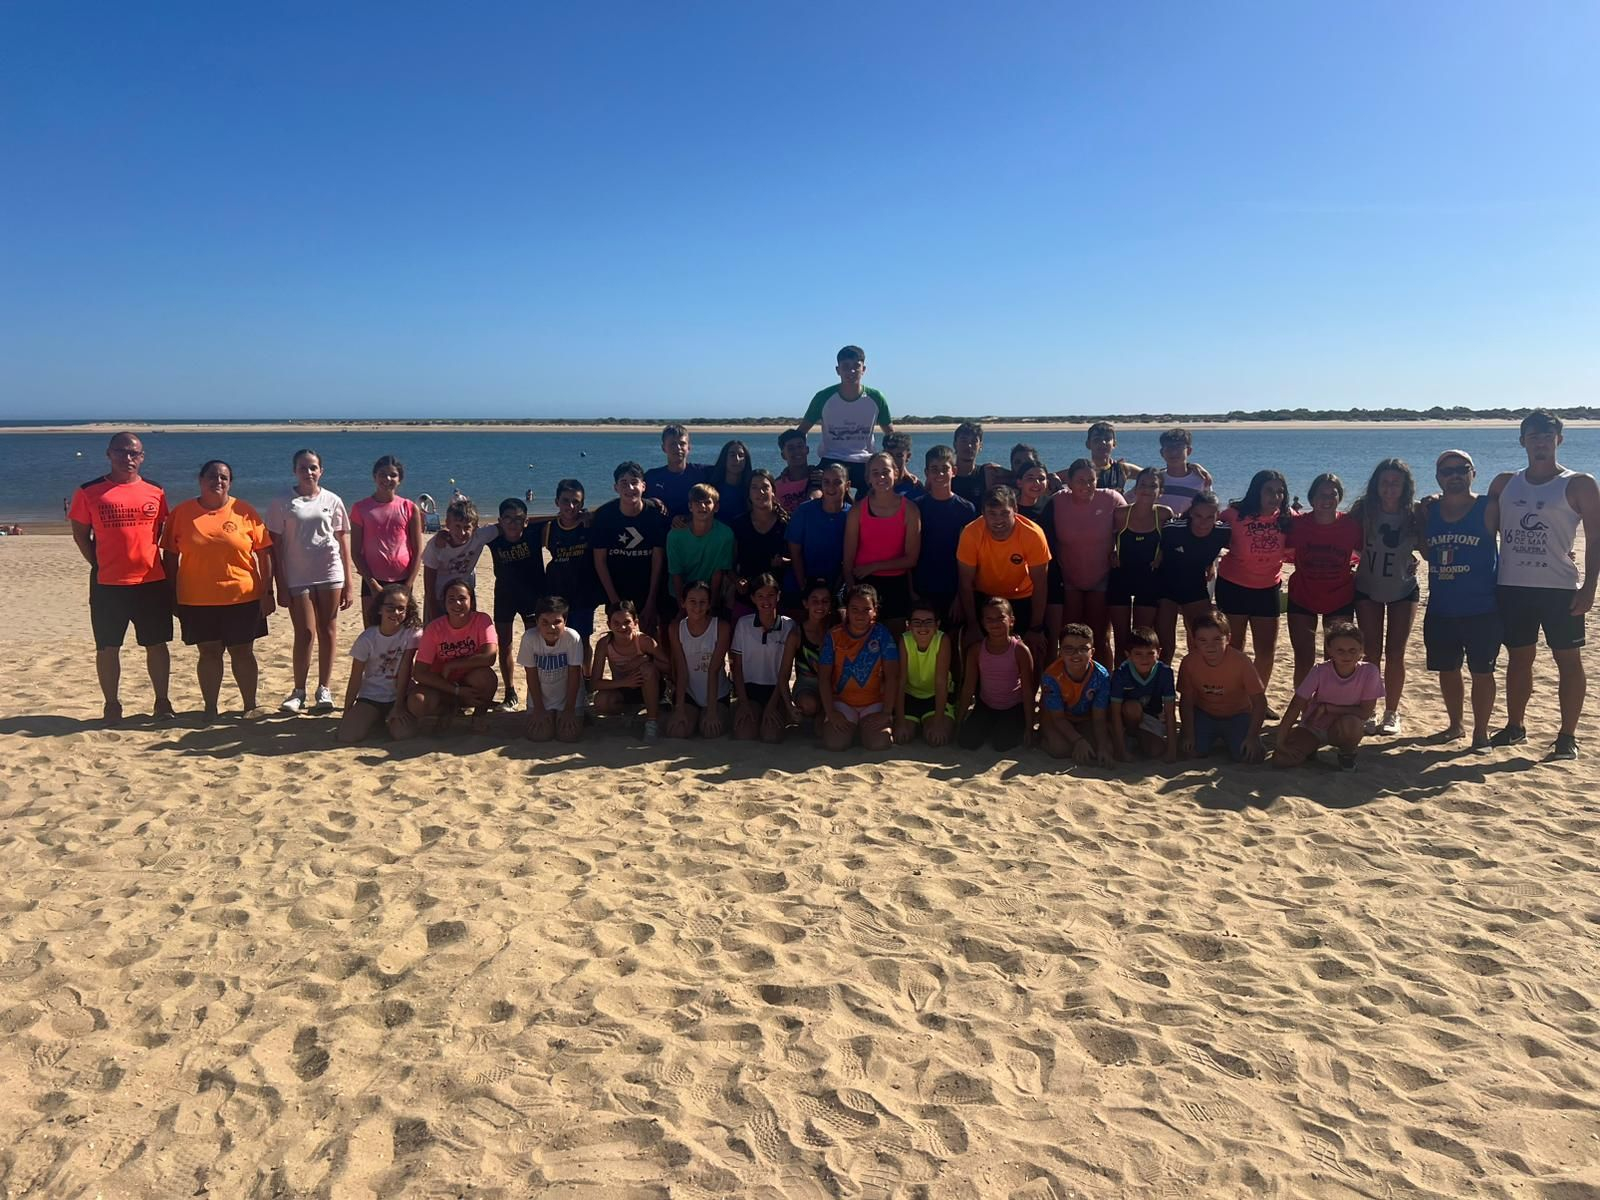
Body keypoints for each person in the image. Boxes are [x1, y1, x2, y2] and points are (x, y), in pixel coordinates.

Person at [1487, 410, 1600, 760]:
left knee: (1568, 660)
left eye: (1547, 437)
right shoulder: (1505, 483)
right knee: (1519, 658)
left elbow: (1595, 538)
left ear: (1558, 440)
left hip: (1560, 588)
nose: (1540, 443)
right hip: (1512, 586)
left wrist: (1589, 587)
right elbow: (1483, 529)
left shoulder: (1579, 483)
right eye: (1533, 437)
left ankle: (1567, 736)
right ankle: (1516, 726)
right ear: (1522, 441)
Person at [69, 432, 174, 722]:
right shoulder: (89, 492)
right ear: (109, 454)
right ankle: (112, 704)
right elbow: (80, 534)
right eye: (122, 452)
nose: (128, 458)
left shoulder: (156, 491)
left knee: (156, 644)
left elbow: (161, 533)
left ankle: (162, 702)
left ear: (142, 457)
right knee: (107, 646)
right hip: (108, 584)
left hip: (151, 581)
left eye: (134, 453)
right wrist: (98, 563)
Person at [161, 459, 274, 721]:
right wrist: (171, 594)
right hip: (197, 598)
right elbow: (170, 557)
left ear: (230, 482)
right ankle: (210, 707)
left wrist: (267, 592)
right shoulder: (181, 513)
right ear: (201, 481)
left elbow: (264, 554)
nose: (218, 482)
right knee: (209, 653)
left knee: (243, 652)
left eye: (224, 477)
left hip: (243, 596)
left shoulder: (244, 511)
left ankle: (250, 705)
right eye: (212, 477)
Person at [1420, 450, 1502, 750]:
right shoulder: (1429, 510)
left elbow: (1517, 539)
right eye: (1446, 471)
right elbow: (1427, 550)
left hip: (1482, 607)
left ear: (1473, 473)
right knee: (1448, 669)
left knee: (1482, 672)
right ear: (1438, 477)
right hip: (1441, 607)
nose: (1454, 475)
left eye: (1461, 469)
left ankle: (1481, 733)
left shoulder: (1489, 507)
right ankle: (1455, 726)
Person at [268, 449, 354, 714]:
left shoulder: (333, 500)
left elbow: (342, 541)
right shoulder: (282, 501)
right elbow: (275, 546)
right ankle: (299, 691)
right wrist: (279, 584)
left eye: (313, 468)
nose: (309, 473)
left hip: (330, 572)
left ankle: (324, 690)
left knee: (328, 630)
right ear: (295, 471)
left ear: (321, 471)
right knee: (305, 632)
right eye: (303, 468)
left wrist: (349, 581)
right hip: (297, 575)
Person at [1351, 459, 1422, 736]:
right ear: (1376, 485)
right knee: (1371, 652)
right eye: (1384, 482)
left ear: (1405, 486)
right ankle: (1369, 709)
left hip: (1403, 589)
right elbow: (1346, 539)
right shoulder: (1364, 511)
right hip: (1367, 587)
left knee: (1396, 652)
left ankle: (1391, 712)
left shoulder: (1414, 514)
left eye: (1395, 482)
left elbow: (1427, 547)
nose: (1389, 488)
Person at [1217, 469, 1291, 705]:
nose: (1275, 496)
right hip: (1233, 587)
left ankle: (1256, 700)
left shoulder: (1288, 519)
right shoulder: (1233, 515)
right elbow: (1203, 529)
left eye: (1280, 491)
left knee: (1266, 651)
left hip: (1268, 589)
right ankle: (1232, 698)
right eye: (1269, 490)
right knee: (1234, 648)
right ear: (1256, 491)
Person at [1271, 619, 1383, 771]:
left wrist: (1329, 708)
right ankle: (1310, 748)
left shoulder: (1370, 671)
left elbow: (1365, 712)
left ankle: (1346, 754)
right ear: (1329, 650)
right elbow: (1296, 705)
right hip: (1314, 725)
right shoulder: (1320, 670)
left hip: (1343, 727)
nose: (1347, 655)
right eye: (1340, 650)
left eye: (1352, 650)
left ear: (1361, 649)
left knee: (1353, 724)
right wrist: (1280, 741)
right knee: (1281, 760)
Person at [957, 486, 1052, 664]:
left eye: (1004, 513)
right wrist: (972, 624)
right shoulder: (971, 533)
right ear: (983, 513)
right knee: (976, 648)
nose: (998, 520)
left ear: (1015, 510)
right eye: (992, 513)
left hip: (1022, 596)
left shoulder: (1033, 534)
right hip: (986, 596)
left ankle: (1030, 691)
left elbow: (1040, 584)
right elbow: (965, 583)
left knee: (1035, 648)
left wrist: (1036, 627)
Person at [1285, 473, 1362, 687]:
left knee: (1336, 659)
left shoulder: (1351, 525)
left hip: (1340, 597)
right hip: (1302, 596)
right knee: (1303, 658)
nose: (1327, 499)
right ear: (1311, 498)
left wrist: (1408, 558)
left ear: (1340, 498)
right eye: (1322, 494)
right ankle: (1305, 710)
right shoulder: (1297, 524)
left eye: (1333, 494)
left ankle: (1331, 706)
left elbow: (1373, 549)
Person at [1050, 459, 1128, 665]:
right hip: (1069, 578)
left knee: (1099, 639)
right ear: (1069, 481)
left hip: (1101, 577)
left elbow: (1131, 528)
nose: (1086, 485)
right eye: (1080, 480)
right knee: (1069, 639)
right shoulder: (1058, 500)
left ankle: (1105, 687)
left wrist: (1119, 552)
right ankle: (1070, 687)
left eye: (1091, 480)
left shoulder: (1111, 499)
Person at [796, 345, 893, 495]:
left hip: (864, 462)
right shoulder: (823, 397)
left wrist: (897, 468)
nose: (851, 371)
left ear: (864, 369)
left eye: (856, 366)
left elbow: (891, 437)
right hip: (831, 459)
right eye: (846, 367)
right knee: (813, 496)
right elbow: (801, 433)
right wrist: (796, 467)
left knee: (874, 498)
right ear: (838, 370)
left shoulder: (876, 397)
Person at [842, 452, 922, 630]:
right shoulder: (857, 510)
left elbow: (911, 559)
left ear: (896, 473)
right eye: (875, 473)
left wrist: (874, 566)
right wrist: (851, 592)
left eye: (886, 471)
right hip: (863, 585)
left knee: (894, 641)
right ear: (868, 477)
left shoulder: (910, 509)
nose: (881, 477)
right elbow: (848, 561)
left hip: (897, 584)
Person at [407, 578, 499, 730]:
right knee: (417, 702)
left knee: (487, 678)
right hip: (442, 682)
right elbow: (419, 673)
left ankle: (479, 716)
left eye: (462, 598)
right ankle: (448, 708)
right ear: (444, 603)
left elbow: (490, 656)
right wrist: (455, 691)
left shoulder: (482, 620)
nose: (457, 604)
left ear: (472, 600)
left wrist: (454, 664)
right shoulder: (434, 628)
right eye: (451, 599)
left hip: (469, 678)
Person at [593, 461, 671, 637]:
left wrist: (651, 601)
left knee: (652, 637)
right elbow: (600, 562)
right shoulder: (605, 515)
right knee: (621, 639)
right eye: (623, 482)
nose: (630, 487)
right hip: (617, 588)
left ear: (644, 486)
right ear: (615, 487)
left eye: (635, 482)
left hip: (648, 588)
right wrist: (615, 603)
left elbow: (658, 560)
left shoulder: (655, 514)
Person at [484, 498, 548, 711]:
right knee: (505, 645)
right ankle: (510, 691)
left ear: (526, 521)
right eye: (508, 518)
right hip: (504, 596)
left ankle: (536, 689)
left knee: (535, 644)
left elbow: (560, 518)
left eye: (518, 519)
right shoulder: (494, 538)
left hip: (532, 597)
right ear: (500, 521)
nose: (513, 523)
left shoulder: (533, 533)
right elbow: (469, 531)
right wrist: (444, 534)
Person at [817, 583, 898, 751]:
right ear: (846, 609)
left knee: (879, 743)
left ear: (875, 610)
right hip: (842, 702)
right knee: (835, 743)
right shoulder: (834, 635)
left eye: (866, 609)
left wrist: (886, 713)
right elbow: (824, 678)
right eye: (854, 609)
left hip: (874, 702)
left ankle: (861, 729)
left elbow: (892, 677)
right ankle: (850, 728)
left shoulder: (882, 634)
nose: (860, 614)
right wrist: (831, 712)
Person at [1178, 610, 1267, 762]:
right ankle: (1211, 736)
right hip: (1204, 714)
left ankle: (1239, 737)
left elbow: (1260, 701)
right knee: (1189, 752)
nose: (1210, 646)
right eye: (1202, 640)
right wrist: (1188, 734)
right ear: (1193, 641)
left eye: (1217, 639)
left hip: (1237, 715)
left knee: (1249, 757)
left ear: (1228, 639)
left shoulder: (1241, 661)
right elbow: (1186, 701)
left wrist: (1252, 737)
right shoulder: (1189, 662)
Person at [337, 584, 421, 743]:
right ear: (380, 609)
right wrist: (347, 710)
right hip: (371, 696)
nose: (396, 613)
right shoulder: (367, 638)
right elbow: (355, 677)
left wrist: (398, 705)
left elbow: (405, 668)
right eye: (390, 608)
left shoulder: (411, 633)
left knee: (403, 735)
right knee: (346, 736)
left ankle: (390, 718)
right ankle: (375, 719)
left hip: (399, 695)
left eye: (401, 608)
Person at [1107, 467, 1173, 666]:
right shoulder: (1120, 514)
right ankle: (1119, 684)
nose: (1146, 489)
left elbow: (1170, 542)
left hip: (1149, 578)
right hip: (1121, 577)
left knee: (1141, 639)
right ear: (1135, 489)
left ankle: (1140, 684)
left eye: (1153, 485)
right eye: (1142, 484)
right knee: (1121, 639)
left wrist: (1161, 555)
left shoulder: (1163, 514)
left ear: (1160, 491)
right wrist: (1112, 552)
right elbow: (1107, 537)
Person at [1154, 491, 1230, 664]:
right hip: (1166, 588)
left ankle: (1195, 686)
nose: (1203, 522)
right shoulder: (1173, 529)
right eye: (1198, 516)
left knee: (1199, 646)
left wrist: (1211, 563)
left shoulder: (1222, 532)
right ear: (1191, 513)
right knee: (1165, 648)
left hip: (1195, 587)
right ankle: (1163, 688)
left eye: (1209, 517)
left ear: (1217, 516)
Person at [350, 456, 422, 628]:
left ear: (400, 480)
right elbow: (356, 552)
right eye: (382, 474)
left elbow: (418, 551)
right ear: (374, 476)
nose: (387, 479)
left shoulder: (409, 507)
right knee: (373, 631)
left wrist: (408, 585)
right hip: (372, 581)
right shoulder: (360, 508)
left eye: (393, 475)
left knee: (401, 632)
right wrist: (372, 583)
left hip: (403, 581)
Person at [956, 597, 1035, 752]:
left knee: (1002, 744)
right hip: (987, 705)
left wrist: (1030, 727)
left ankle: (1007, 726)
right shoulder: (976, 650)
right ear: (983, 623)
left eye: (1000, 618)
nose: (995, 623)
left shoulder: (1020, 651)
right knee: (966, 742)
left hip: (1013, 706)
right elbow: (968, 687)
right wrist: (959, 721)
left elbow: (1027, 691)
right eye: (989, 619)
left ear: (1011, 621)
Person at [914, 445, 977, 631]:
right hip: (922, 588)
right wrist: (912, 592)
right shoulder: (916, 507)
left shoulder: (966, 509)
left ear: (954, 471)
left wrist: (960, 596)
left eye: (945, 468)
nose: (940, 473)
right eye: (934, 469)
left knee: (953, 646)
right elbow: (910, 550)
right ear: (926, 472)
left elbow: (969, 557)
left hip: (954, 589)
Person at [730, 574, 798, 743]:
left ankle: (780, 713)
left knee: (771, 736)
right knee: (744, 735)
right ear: (753, 598)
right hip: (750, 691)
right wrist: (744, 703)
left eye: (770, 595)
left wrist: (772, 705)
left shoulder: (789, 625)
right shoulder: (743, 624)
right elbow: (736, 668)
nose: (765, 601)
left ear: (778, 596)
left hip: (777, 690)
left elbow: (786, 671)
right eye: (760, 596)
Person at [588, 600, 667, 740]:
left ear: (635, 623)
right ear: (609, 625)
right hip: (625, 687)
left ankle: (652, 722)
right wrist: (625, 682)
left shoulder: (644, 641)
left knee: (647, 669)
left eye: (627, 622)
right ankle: (632, 710)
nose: (622, 627)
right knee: (601, 702)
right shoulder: (604, 644)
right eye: (616, 623)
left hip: (651, 685)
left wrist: (646, 660)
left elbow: (668, 665)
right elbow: (595, 683)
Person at [1038, 621, 1113, 765]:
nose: (1076, 654)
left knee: (1105, 748)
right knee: (1059, 749)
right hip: (1057, 717)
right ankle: (1043, 738)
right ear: (1060, 652)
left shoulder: (1101, 676)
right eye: (1068, 649)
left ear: (1092, 652)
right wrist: (1079, 740)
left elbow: (1099, 717)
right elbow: (1058, 718)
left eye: (1083, 649)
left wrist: (1103, 747)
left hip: (1085, 717)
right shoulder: (1051, 676)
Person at [666, 581, 731, 739]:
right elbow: (681, 670)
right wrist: (680, 708)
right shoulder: (675, 628)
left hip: (717, 694)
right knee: (678, 731)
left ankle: (710, 713)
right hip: (690, 693)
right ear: (683, 603)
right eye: (692, 601)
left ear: (709, 604)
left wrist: (712, 711)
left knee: (710, 731)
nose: (697, 607)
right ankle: (691, 713)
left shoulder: (721, 627)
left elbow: (713, 671)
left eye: (703, 602)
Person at [542, 479, 599, 658]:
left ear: (582, 504)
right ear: (556, 502)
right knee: (560, 638)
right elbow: (523, 523)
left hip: (583, 594)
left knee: (582, 640)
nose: (571, 505)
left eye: (576, 502)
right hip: (557, 593)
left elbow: (612, 509)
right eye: (566, 500)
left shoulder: (589, 525)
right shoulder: (549, 528)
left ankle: (587, 678)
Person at [520, 594, 587, 743]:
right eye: (545, 622)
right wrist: (538, 708)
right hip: (542, 697)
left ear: (565, 622)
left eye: (557, 622)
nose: (551, 627)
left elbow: (574, 674)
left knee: (568, 736)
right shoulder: (529, 638)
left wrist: (569, 709)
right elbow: (530, 675)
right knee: (539, 735)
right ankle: (550, 714)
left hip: (569, 697)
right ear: (537, 622)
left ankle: (578, 712)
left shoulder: (572, 638)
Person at [1109, 626, 1177, 763]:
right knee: (1132, 708)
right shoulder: (1121, 674)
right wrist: (1121, 751)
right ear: (1128, 655)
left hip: (1151, 717)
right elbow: (1115, 712)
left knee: (1155, 751)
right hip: (1127, 717)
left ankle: (1137, 738)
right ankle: (1128, 736)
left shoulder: (1165, 673)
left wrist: (1172, 751)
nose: (1144, 659)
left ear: (1158, 652)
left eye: (1150, 653)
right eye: (1138, 654)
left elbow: (1170, 712)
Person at [786, 463, 852, 602]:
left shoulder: (852, 514)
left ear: (847, 486)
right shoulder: (804, 511)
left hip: (837, 586)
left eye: (837, 482)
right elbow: (795, 552)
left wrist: (839, 587)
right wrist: (804, 587)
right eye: (826, 482)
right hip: (802, 583)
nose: (831, 487)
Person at [894, 600, 956, 747]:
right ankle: (915, 723)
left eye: (928, 622)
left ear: (937, 625)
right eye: (917, 622)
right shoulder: (904, 640)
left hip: (936, 696)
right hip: (911, 695)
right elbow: (900, 681)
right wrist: (901, 722)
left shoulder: (942, 640)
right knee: (902, 737)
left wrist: (938, 723)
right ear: (908, 625)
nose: (922, 626)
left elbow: (941, 683)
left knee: (936, 738)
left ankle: (930, 721)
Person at [729, 470, 790, 617]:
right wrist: (737, 581)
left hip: (779, 598)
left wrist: (784, 562)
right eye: (754, 487)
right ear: (749, 493)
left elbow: (798, 559)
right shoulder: (738, 524)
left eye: (765, 487)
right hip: (747, 595)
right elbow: (728, 562)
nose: (760, 492)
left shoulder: (787, 523)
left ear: (773, 491)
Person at [667, 483, 736, 607]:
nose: (702, 506)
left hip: (710, 594)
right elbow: (676, 572)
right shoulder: (675, 535)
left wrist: (712, 605)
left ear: (716, 507)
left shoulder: (725, 534)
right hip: (679, 594)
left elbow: (718, 571)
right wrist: (682, 605)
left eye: (707, 502)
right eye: (697, 502)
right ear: (690, 506)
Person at [421, 497, 486, 624]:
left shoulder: (480, 536)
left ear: (476, 527)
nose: (461, 532)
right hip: (438, 597)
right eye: (457, 526)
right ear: (447, 523)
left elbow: (505, 526)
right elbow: (429, 587)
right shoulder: (436, 546)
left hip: (465, 596)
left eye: (467, 527)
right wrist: (434, 614)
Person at [790, 578, 836, 724]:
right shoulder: (796, 634)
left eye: (825, 601)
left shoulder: (836, 631)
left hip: (833, 685)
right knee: (809, 705)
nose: (820, 605)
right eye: (814, 600)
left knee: (821, 729)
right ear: (805, 603)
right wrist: (787, 705)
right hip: (807, 685)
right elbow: (784, 674)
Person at [644, 424, 708, 519]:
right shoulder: (652, 476)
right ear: (663, 448)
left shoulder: (702, 473)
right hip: (661, 531)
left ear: (689, 448)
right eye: (673, 444)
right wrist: (650, 501)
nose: (678, 448)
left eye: (682, 444)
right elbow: (634, 500)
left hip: (693, 530)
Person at [1155, 428, 1214, 514]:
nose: (1174, 452)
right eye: (1169, 447)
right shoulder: (1156, 480)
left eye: (1178, 447)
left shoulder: (1201, 479)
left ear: (1189, 451)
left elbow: (1209, 509)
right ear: (1162, 452)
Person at [951, 421, 1006, 507]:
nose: (969, 445)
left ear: (980, 446)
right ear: (955, 444)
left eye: (974, 441)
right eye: (964, 441)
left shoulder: (986, 473)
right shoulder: (946, 475)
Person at [774, 428, 823, 515]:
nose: (796, 451)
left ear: (807, 450)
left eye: (800, 446)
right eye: (790, 448)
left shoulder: (820, 478)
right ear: (783, 455)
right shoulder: (777, 486)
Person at [709, 440, 753, 525]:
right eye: (732, 455)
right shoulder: (712, 489)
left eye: (741, 455)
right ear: (724, 458)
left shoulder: (751, 489)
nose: (736, 459)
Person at [1087, 421, 1138, 491]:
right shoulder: (1079, 470)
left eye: (1107, 439)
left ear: (1114, 444)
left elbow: (1153, 476)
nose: (1103, 442)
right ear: (1088, 444)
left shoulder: (1122, 469)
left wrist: (1130, 496)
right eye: (1097, 439)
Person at [884, 431, 924, 499]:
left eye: (899, 455)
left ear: (908, 456)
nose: (893, 460)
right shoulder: (876, 486)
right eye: (889, 455)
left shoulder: (915, 487)